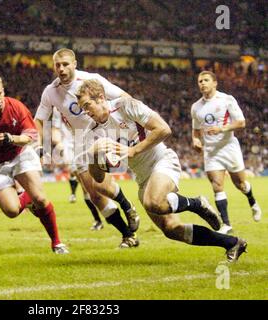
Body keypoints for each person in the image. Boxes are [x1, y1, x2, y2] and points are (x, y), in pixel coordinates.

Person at [76, 79, 247, 263]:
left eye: (87, 105)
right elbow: (99, 178)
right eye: (82, 108)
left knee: (153, 202)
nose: (85, 111)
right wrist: (93, 156)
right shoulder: (90, 133)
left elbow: (164, 129)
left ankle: (196, 204)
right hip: (143, 178)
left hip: (162, 160)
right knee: (171, 229)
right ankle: (232, 243)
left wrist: (134, 150)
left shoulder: (126, 106)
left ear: (101, 97)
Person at [34, 48, 139, 248]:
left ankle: (127, 206)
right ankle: (128, 234)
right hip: (79, 141)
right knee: (94, 195)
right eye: (58, 65)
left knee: (100, 185)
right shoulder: (51, 92)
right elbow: (38, 120)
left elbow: (124, 97)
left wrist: (128, 124)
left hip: (103, 134)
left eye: (65, 64)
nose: (62, 69)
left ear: (74, 64)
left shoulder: (91, 80)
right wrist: (38, 146)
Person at [0, 74, 69, 254]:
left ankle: (57, 243)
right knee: (11, 211)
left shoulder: (16, 107)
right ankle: (27, 197)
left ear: (3, 91)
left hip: (19, 155)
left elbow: (31, 136)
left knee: (41, 199)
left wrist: (12, 138)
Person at [191, 71, 262, 234]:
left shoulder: (227, 99)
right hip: (210, 151)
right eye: (200, 81)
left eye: (206, 80)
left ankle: (252, 202)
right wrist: (195, 141)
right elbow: (195, 131)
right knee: (217, 185)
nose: (202, 83)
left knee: (241, 184)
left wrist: (222, 128)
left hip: (229, 147)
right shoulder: (196, 107)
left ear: (215, 83)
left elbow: (241, 122)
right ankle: (226, 224)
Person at [51, 109, 103, 231]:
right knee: (86, 188)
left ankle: (108, 213)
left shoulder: (81, 102)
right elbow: (56, 128)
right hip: (70, 147)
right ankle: (99, 219)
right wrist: (58, 142)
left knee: (95, 187)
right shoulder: (57, 107)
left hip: (87, 144)